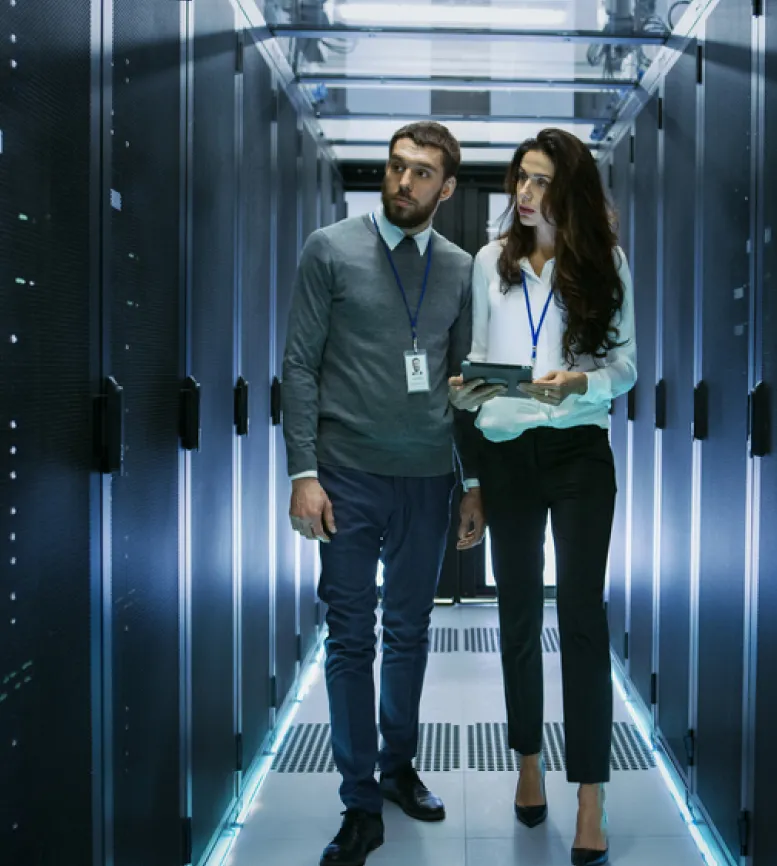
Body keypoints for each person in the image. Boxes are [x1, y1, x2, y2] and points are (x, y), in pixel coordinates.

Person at [282, 121, 490, 866]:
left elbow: (461, 386)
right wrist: (303, 474)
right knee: (350, 637)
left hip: (428, 478)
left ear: (448, 187)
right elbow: (299, 366)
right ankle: (359, 802)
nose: (403, 181)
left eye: (422, 172)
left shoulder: (461, 268)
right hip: (346, 476)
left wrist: (471, 483)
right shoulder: (329, 248)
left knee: (409, 632)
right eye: (397, 166)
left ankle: (398, 768)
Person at [449, 128, 636, 866]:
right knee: (519, 613)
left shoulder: (604, 263)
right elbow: (475, 357)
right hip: (506, 452)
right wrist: (469, 396)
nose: (524, 195)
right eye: (520, 180)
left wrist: (581, 381)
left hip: (578, 450)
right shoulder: (490, 263)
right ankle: (527, 763)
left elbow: (626, 365)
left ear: (570, 192)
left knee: (584, 619)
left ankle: (591, 794)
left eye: (540, 182)